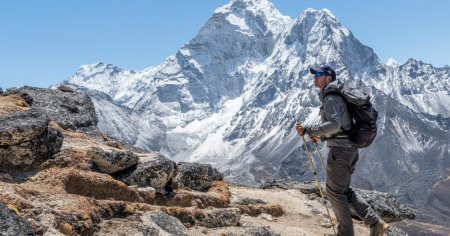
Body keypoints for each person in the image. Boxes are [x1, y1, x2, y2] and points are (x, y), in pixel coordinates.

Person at [295, 65, 390, 236]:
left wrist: (309, 131)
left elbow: (334, 124)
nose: (314, 77)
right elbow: (341, 127)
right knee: (343, 190)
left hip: (341, 151)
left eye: (318, 74)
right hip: (348, 148)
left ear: (328, 78)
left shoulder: (330, 97)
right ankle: (375, 222)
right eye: (314, 74)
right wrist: (322, 137)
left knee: (334, 193)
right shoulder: (334, 95)